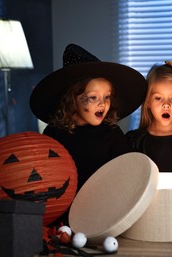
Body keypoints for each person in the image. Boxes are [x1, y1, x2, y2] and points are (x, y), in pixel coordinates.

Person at [30, 43, 147, 191]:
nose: (102, 104)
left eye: (107, 97)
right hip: (64, 204)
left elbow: (128, 172)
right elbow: (44, 171)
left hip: (102, 203)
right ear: (73, 99)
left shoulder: (112, 134)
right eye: (93, 97)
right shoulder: (54, 134)